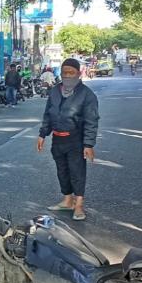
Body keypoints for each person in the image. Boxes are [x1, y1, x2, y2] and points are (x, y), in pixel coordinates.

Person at [36, 59, 99, 221]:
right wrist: (43, 134)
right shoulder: (55, 91)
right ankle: (67, 200)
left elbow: (91, 121)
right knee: (62, 171)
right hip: (58, 139)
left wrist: (88, 144)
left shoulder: (87, 94)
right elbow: (48, 114)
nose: (68, 75)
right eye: (65, 72)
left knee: (77, 172)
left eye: (71, 72)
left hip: (75, 140)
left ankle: (78, 205)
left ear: (78, 74)